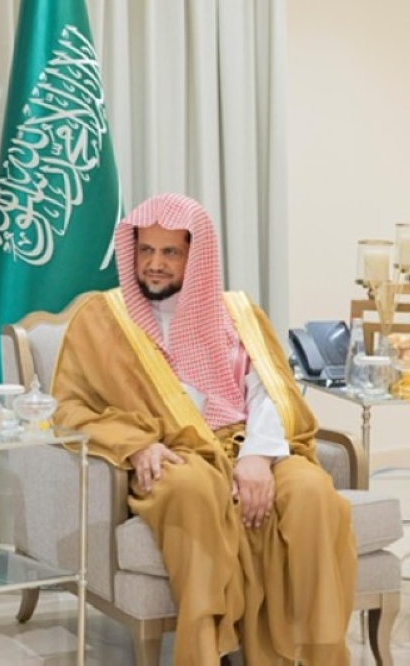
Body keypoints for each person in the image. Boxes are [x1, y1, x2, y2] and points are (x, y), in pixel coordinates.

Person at [51, 193, 356, 665]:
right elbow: (70, 407)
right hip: (173, 452)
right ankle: (203, 653)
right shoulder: (102, 319)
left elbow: (270, 391)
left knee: (313, 492)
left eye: (169, 252)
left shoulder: (238, 313)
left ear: (197, 256)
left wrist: (258, 458)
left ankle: (320, 657)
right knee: (193, 492)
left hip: (249, 442)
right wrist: (137, 446)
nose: (154, 264)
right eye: (145, 250)